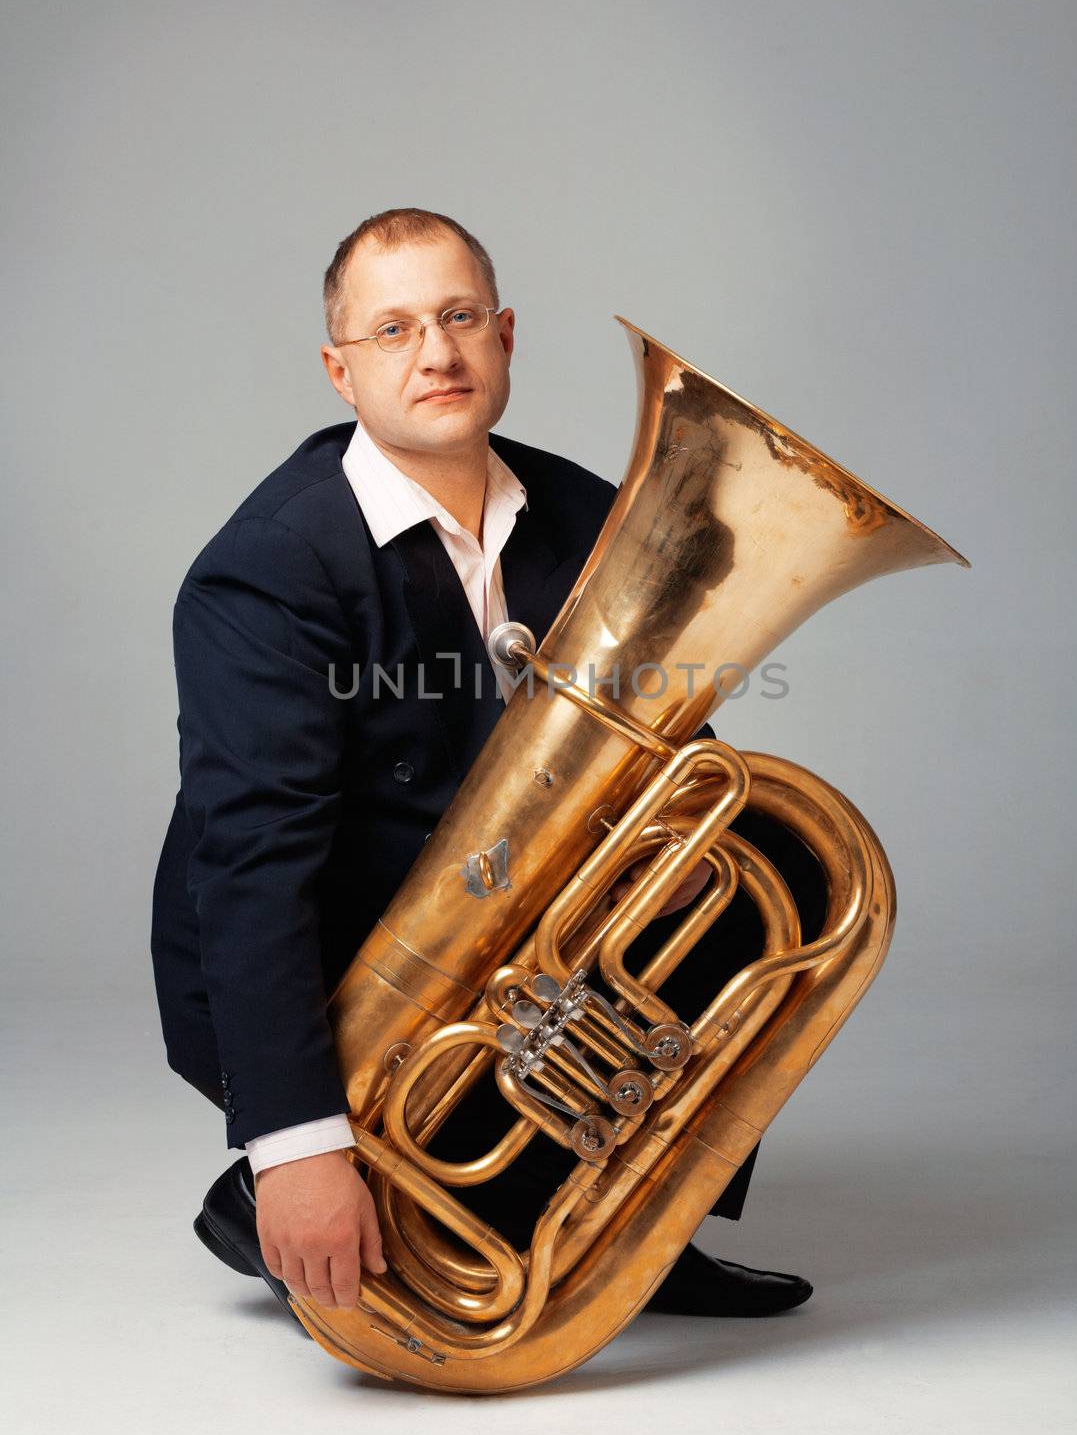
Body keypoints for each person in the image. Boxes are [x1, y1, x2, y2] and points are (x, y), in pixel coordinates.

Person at [151, 208, 815, 1330]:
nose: (436, 353)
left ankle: (643, 1219)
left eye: (460, 317)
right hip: (337, 940)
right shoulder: (265, 570)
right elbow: (254, 868)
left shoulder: (586, 515)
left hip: (507, 906)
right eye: (393, 329)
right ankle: (273, 1185)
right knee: (381, 1209)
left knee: (765, 864)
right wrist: (298, 1146)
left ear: (504, 335)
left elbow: (669, 761)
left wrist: (691, 890)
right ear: (338, 370)